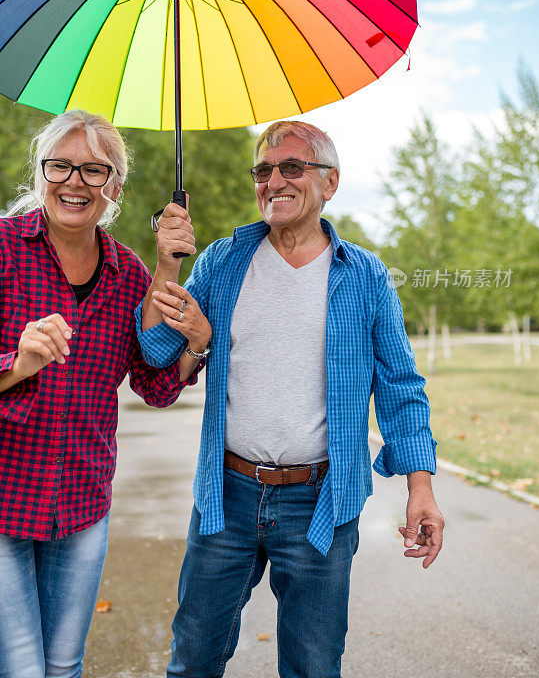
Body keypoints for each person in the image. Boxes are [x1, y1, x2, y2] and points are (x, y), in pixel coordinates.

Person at [136, 120, 445, 678]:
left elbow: (401, 388)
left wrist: (419, 488)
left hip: (320, 501)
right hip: (225, 497)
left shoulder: (367, 276)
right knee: (194, 658)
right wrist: (168, 264)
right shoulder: (222, 262)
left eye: (291, 167)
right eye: (263, 170)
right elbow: (156, 349)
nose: (273, 180)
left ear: (330, 183)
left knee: (312, 666)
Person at [0, 110, 208, 678]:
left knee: (64, 666)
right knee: (21, 668)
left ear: (115, 187)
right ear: (40, 174)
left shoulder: (130, 273)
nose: (74, 181)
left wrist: (195, 343)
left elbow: (157, 383)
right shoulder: (3, 250)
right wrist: (16, 365)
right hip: (3, 494)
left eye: (94, 170)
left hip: (82, 501)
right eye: (61, 166)